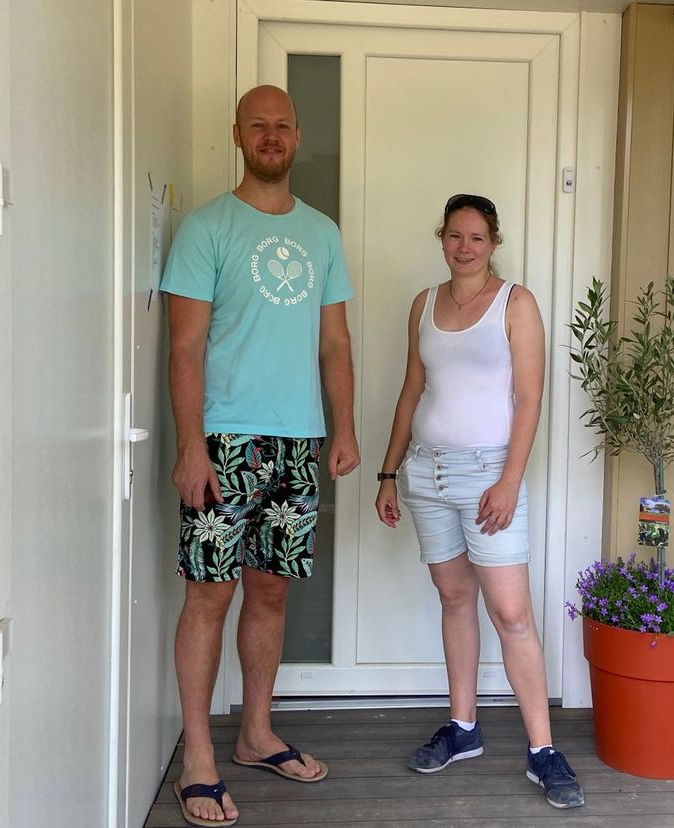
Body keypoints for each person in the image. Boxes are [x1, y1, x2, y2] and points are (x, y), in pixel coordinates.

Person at [161, 84, 359, 828]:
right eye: (258, 125)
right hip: (223, 442)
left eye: (283, 124)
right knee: (208, 595)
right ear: (237, 135)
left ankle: (254, 734)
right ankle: (199, 759)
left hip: (297, 443)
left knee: (270, 593)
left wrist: (342, 429)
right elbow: (183, 347)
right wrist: (191, 446)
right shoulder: (207, 229)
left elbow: (334, 341)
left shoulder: (322, 233)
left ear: (297, 135)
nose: (271, 135)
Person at [374, 194, 585, 809]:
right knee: (454, 596)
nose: (464, 246)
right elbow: (411, 391)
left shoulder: (516, 304)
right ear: (441, 238)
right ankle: (463, 729)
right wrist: (389, 472)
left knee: (511, 613)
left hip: (490, 474)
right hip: (427, 474)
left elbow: (529, 396)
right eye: (454, 235)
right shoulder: (423, 305)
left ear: (493, 243)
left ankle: (543, 751)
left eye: (477, 237)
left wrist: (510, 480)